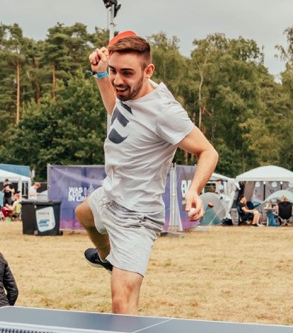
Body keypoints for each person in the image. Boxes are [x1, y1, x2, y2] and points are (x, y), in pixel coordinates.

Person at [75, 31, 218, 315]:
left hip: (136, 216)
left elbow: (208, 151)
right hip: (110, 196)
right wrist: (101, 74)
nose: (118, 80)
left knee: (122, 303)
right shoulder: (125, 92)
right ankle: (107, 258)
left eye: (126, 73)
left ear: (148, 70)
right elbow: (115, 111)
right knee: (83, 214)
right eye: (114, 71)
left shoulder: (165, 112)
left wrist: (194, 190)